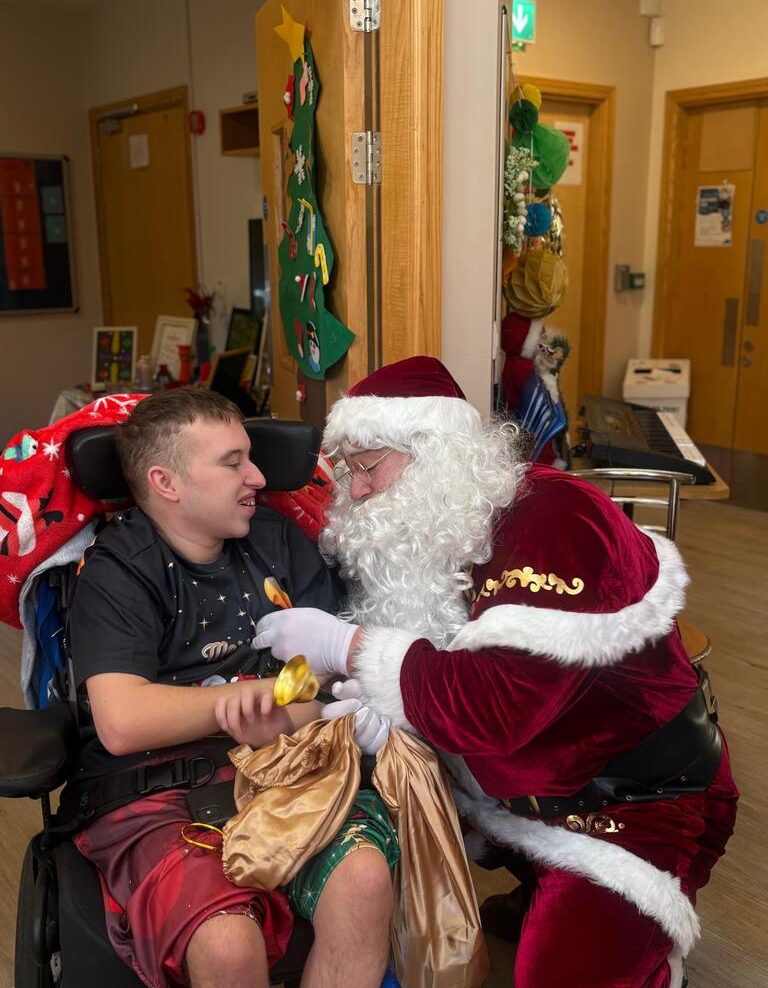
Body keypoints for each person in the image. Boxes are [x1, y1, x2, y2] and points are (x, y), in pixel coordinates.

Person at [255, 356, 738, 988]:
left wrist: (349, 646)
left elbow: (495, 706)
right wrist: (384, 717)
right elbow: (436, 671)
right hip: (517, 796)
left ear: (435, 452)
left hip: (635, 802)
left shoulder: (560, 519)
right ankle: (540, 879)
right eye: (348, 473)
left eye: (368, 466)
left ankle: (637, 935)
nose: (359, 491)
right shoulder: (444, 532)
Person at [65, 388, 397, 988]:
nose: (258, 476)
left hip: (289, 764)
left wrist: (292, 712)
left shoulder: (276, 540)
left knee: (365, 882)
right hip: (157, 787)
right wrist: (239, 704)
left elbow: (325, 671)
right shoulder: (118, 570)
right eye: (232, 462)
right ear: (166, 482)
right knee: (226, 941)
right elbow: (123, 721)